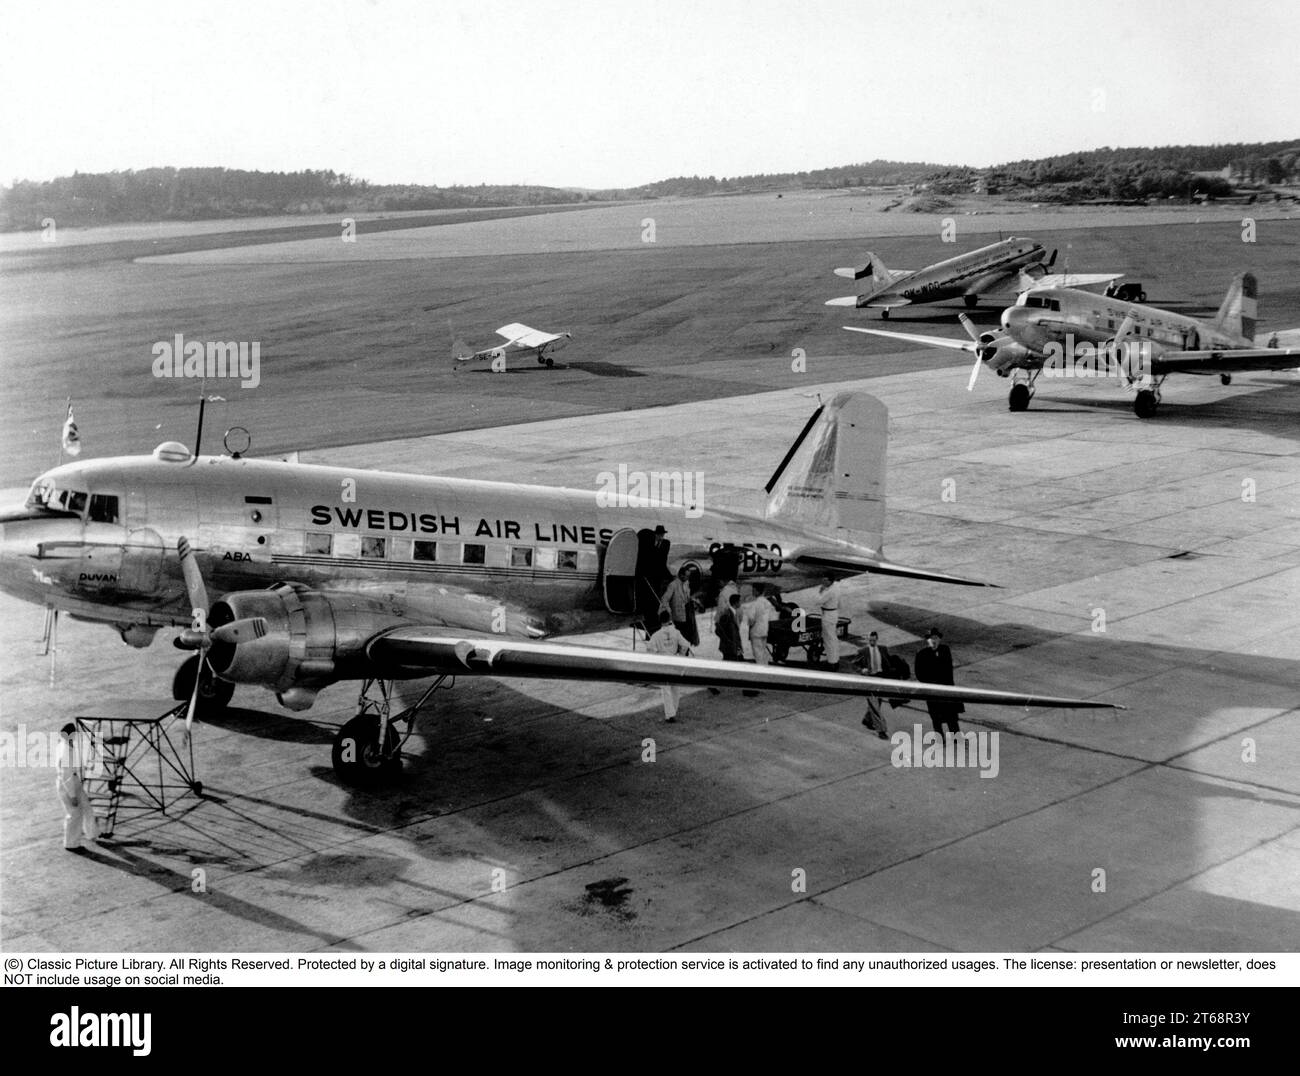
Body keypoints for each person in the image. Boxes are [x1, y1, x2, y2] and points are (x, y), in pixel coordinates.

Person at [56, 722, 99, 852]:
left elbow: (72, 765)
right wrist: (72, 795)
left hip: (74, 780)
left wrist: (84, 766)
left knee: (86, 807)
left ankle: (91, 834)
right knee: (74, 814)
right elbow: (66, 775)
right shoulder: (65, 750)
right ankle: (71, 844)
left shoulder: (67, 745)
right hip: (68, 783)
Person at [914, 627, 963, 734]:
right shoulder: (922, 654)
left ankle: (957, 740)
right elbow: (919, 674)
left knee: (952, 717)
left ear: (939, 639)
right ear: (927, 641)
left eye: (935, 638)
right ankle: (940, 740)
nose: (933, 641)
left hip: (946, 690)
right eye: (931, 638)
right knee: (936, 718)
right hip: (932, 691)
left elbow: (947, 669)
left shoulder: (945, 650)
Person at [645, 610, 691, 722]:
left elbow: (649, 649)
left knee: (666, 690)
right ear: (669, 619)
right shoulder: (676, 632)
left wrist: (657, 657)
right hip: (675, 661)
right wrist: (681, 654)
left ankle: (670, 715)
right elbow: (686, 644)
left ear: (660, 621)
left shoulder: (656, 635)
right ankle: (673, 711)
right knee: (675, 688)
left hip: (664, 663)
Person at [855, 631, 892, 739]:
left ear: (877, 639)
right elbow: (853, 664)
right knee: (874, 704)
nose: (872, 642)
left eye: (874, 640)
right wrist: (862, 670)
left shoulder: (883, 649)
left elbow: (888, 663)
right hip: (870, 679)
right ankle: (882, 730)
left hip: (880, 678)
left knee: (878, 701)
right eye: (870, 640)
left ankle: (867, 720)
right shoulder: (863, 651)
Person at [659, 566, 697, 646]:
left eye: (688, 576)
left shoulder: (686, 583)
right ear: (681, 575)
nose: (688, 578)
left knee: (687, 638)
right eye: (686, 576)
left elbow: (687, 597)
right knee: (680, 638)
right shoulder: (673, 585)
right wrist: (669, 611)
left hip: (687, 615)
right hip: (677, 617)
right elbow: (664, 599)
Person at [742, 584, 775, 666]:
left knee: (757, 653)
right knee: (763, 651)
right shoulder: (767, 603)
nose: (752, 592)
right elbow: (771, 617)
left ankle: (761, 670)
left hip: (756, 631)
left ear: (757, 591)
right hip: (764, 630)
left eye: (753, 590)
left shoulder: (755, 604)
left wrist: (749, 624)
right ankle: (766, 667)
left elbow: (751, 618)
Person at [816, 574, 841, 669]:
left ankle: (832, 663)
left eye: (825, 580)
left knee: (828, 639)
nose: (823, 582)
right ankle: (835, 660)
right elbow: (840, 603)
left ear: (830, 581)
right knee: (833, 639)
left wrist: (820, 591)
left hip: (828, 615)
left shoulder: (830, 591)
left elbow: (818, 601)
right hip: (833, 613)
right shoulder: (836, 588)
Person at [715, 592, 744, 661]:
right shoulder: (727, 614)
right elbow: (718, 630)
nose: (741, 603)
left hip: (733, 648)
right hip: (729, 649)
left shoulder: (733, 613)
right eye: (740, 601)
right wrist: (728, 642)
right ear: (736, 603)